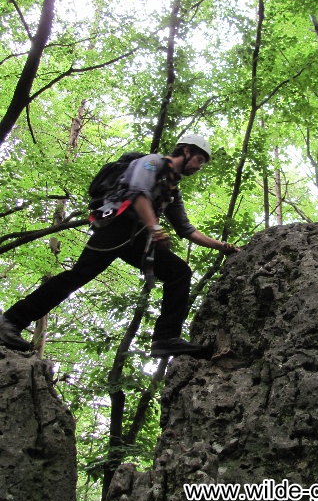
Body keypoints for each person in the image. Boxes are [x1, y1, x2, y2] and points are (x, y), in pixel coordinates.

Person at [0, 134, 239, 357]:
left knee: (179, 272)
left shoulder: (172, 191)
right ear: (186, 151)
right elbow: (137, 193)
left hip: (136, 239)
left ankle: (166, 338)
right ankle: (11, 321)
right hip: (115, 227)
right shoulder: (152, 163)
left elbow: (186, 230)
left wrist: (222, 246)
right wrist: (155, 228)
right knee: (78, 276)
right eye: (199, 160)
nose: (199, 167)